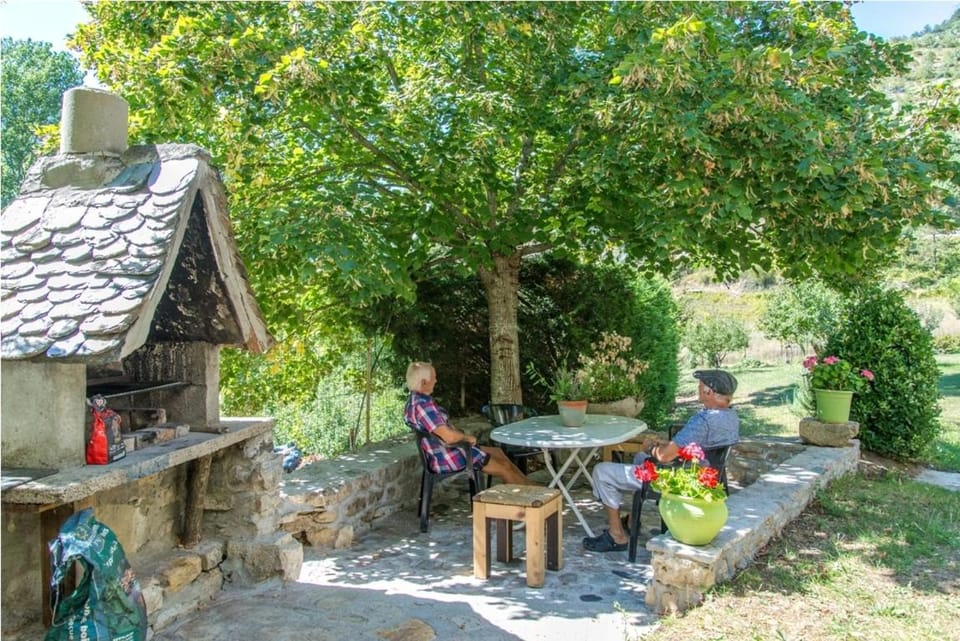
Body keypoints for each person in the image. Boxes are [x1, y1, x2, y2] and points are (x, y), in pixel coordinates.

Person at [582, 369, 740, 552]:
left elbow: (665, 456)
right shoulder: (731, 416)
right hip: (702, 475)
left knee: (602, 471)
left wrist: (651, 447)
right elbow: (699, 445)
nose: (698, 388)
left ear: (708, 392)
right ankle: (633, 521)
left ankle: (616, 535)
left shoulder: (704, 421)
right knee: (640, 458)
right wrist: (665, 444)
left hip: (675, 478)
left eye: (700, 386)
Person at [404, 361, 533, 486]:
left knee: (498, 452)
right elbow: (449, 437)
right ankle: (529, 498)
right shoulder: (423, 406)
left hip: (446, 451)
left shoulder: (414, 401)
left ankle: (532, 488)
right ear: (424, 382)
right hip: (449, 455)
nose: (436, 381)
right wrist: (468, 438)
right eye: (434, 378)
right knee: (504, 467)